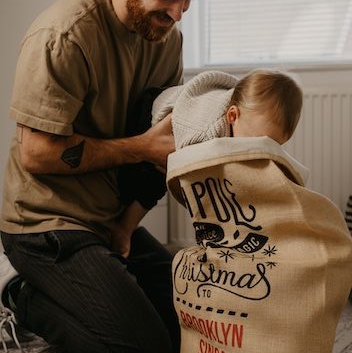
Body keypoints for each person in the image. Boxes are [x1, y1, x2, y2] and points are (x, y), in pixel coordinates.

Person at [0, 0, 209, 353]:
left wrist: (125, 226)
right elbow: (36, 154)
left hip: (106, 217)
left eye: (188, 1)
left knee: (191, 329)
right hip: (43, 223)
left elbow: (161, 145)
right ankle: (19, 294)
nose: (177, 14)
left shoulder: (166, 40)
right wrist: (142, 148)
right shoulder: (64, 33)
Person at [112, 68, 303, 256]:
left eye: (273, 145)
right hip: (151, 115)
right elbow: (186, 182)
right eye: (257, 142)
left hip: (197, 113)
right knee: (152, 181)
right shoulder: (203, 134)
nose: (262, 150)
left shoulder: (247, 124)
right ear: (233, 116)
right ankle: (124, 229)